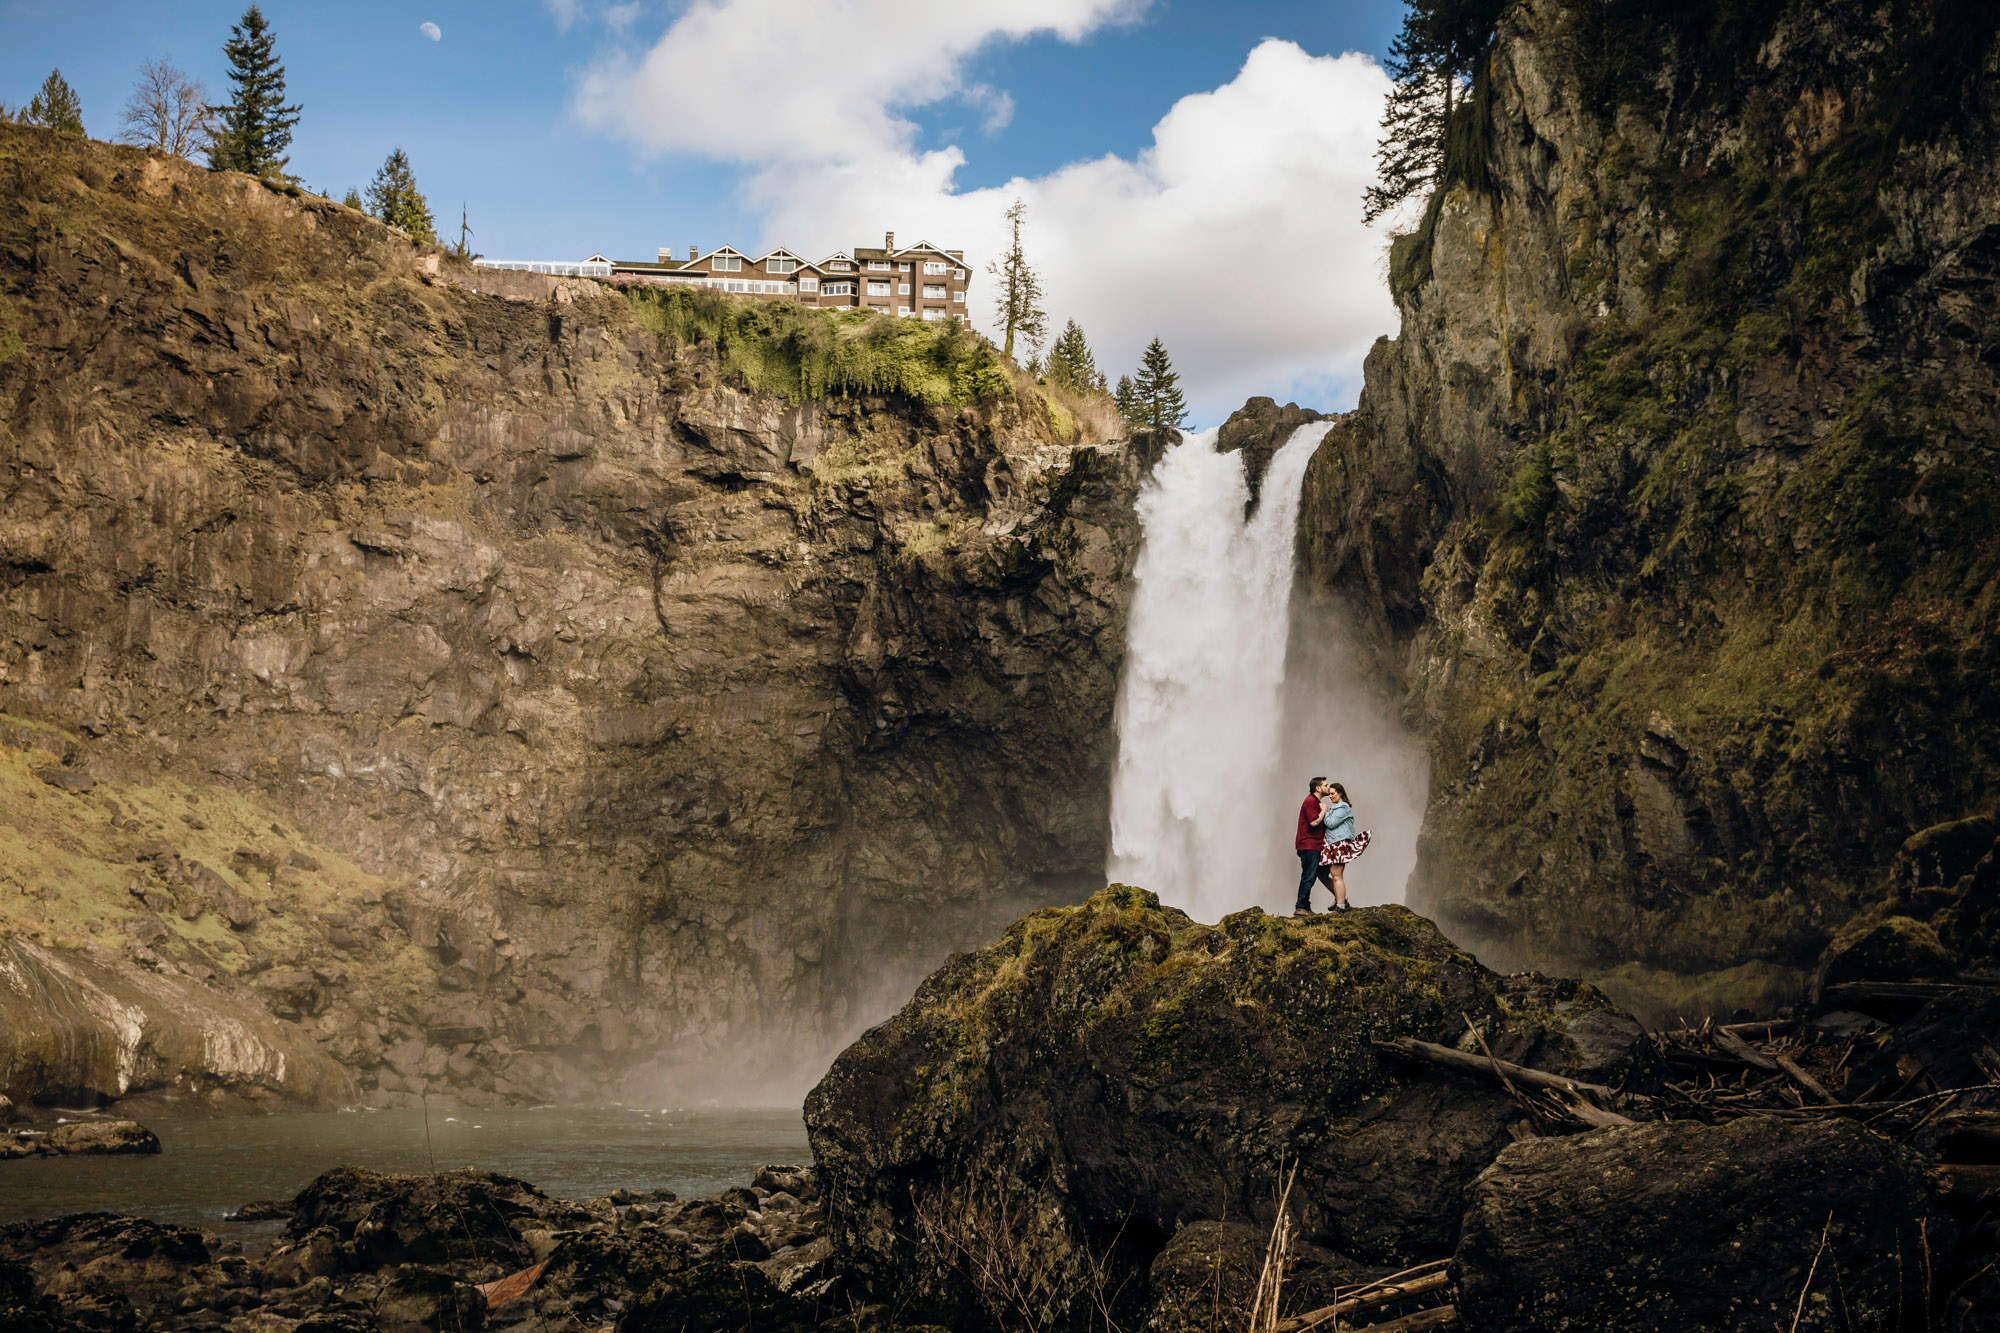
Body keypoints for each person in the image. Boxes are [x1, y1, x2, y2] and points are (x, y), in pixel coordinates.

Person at [1317, 781, 1372, 911]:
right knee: (1322, 874)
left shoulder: (1343, 807)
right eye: (1329, 794)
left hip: (1339, 844)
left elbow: (1330, 823)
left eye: (1333, 794)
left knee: (1336, 875)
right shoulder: (1336, 808)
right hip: (1332, 844)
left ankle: (1341, 906)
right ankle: (1339, 899)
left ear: (1340, 793)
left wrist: (1324, 811)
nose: (1330, 796)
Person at [1293, 776, 1333, 917]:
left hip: (1313, 845)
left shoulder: (1315, 801)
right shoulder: (1311, 801)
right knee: (1308, 876)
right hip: (1308, 845)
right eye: (1326, 785)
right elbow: (1314, 822)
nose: (1328, 787)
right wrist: (1324, 811)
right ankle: (1301, 907)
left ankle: (1305, 906)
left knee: (1316, 875)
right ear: (1318, 788)